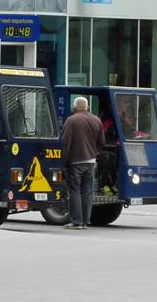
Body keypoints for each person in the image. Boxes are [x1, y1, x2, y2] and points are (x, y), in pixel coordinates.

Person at [61, 96, 105, 229]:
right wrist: (94, 152)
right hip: (91, 161)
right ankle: (86, 221)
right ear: (88, 107)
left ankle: (76, 222)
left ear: (74, 108)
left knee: (74, 191)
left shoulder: (72, 120)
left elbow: (66, 143)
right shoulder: (96, 120)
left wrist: (63, 162)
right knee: (87, 192)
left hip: (75, 161)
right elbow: (102, 142)